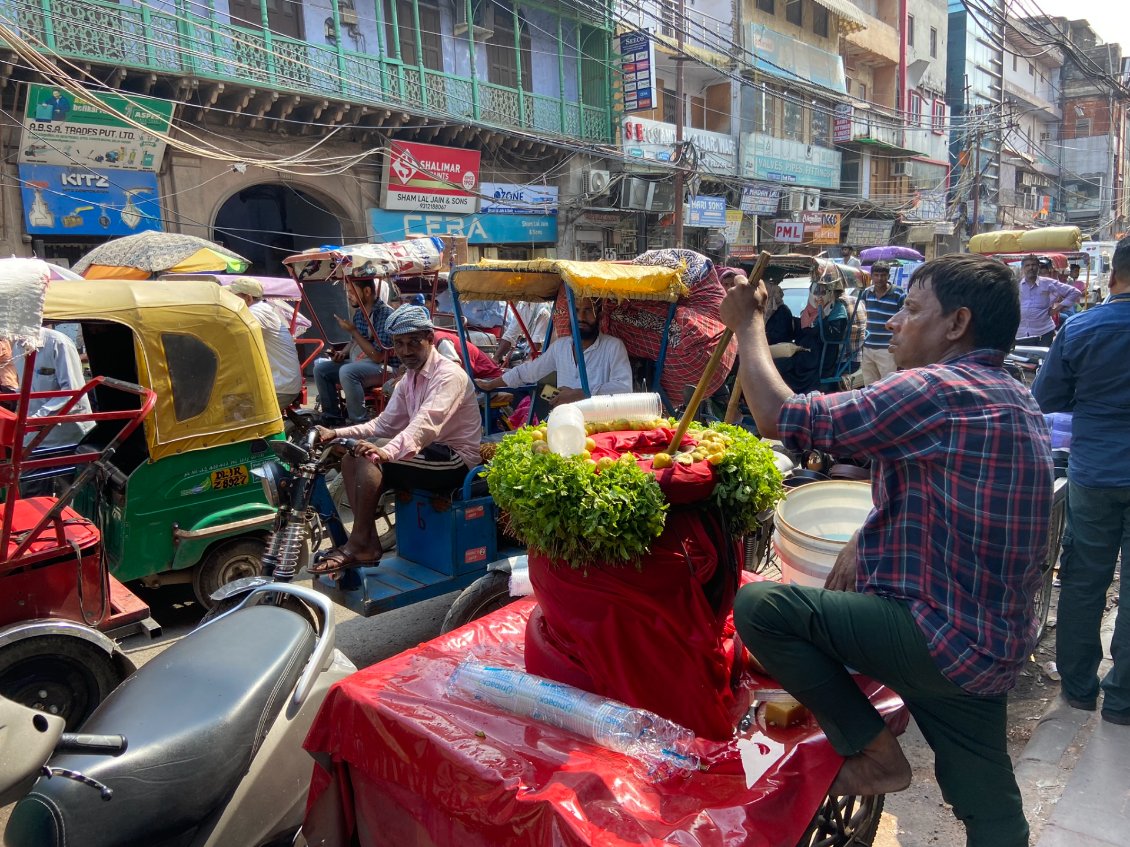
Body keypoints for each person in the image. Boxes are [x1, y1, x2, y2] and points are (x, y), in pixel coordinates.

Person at [720, 254, 1053, 847]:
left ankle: (875, 754)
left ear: (957, 325)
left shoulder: (937, 388)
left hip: (936, 634)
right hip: (991, 643)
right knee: (991, 807)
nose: (895, 322)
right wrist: (863, 536)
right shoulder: (1013, 394)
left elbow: (777, 416)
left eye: (912, 308)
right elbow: (939, 496)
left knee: (763, 609)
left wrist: (747, 323)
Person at [1032, 236, 1130, 726]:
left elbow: (1046, 396)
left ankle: (1079, 689)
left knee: (1084, 579)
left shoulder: (1080, 327)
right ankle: (1123, 701)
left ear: (1112, 276)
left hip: (1095, 471)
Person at [310, 305, 482, 572]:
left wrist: (386, 452)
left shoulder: (449, 376)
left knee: (369, 459)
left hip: (456, 461)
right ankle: (367, 542)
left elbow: (426, 425)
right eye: (399, 344)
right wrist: (336, 433)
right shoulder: (409, 379)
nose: (405, 351)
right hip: (429, 453)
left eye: (413, 342)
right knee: (350, 457)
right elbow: (385, 423)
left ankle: (358, 545)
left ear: (430, 339)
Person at [475, 298, 632, 406]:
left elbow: (624, 388)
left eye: (588, 311)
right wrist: (491, 384)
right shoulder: (560, 347)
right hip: (564, 420)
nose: (581, 317)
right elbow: (528, 372)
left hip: (600, 422)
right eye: (576, 311)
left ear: (599, 315)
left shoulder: (613, 347)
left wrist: (581, 393)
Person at [312, 279, 395, 424]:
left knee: (348, 371)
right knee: (321, 369)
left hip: (387, 367)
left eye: (351, 292)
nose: (349, 295)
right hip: (362, 363)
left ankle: (358, 422)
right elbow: (354, 342)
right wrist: (342, 353)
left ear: (367, 292)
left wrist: (353, 330)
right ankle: (332, 417)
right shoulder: (359, 315)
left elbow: (378, 356)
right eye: (348, 292)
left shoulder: (385, 314)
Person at [13, 326, 93, 449]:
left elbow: (71, 390)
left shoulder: (58, 343)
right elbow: (25, 385)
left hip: (66, 433)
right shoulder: (17, 346)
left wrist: (36, 418)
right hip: (33, 431)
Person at [228, 277, 303, 410]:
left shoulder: (257, 311)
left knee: (234, 414)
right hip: (276, 382)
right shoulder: (258, 309)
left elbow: (229, 332)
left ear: (248, 298)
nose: (228, 301)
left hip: (280, 386)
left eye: (233, 297)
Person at [773, 271, 849, 394]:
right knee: (778, 364)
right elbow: (802, 332)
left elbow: (832, 336)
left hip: (821, 357)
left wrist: (822, 315)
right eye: (816, 290)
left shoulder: (837, 311)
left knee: (784, 366)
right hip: (805, 352)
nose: (818, 296)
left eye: (822, 291)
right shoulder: (808, 310)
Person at [1015, 254, 1080, 345]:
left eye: (1033, 265)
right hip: (1021, 334)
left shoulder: (1047, 283)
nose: (1031, 268)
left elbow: (1075, 292)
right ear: (1023, 269)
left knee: (1042, 358)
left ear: (1038, 267)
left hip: (1044, 332)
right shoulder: (1015, 285)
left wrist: (1056, 310)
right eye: (1027, 265)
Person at [858, 261, 905, 384]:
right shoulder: (866, 293)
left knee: (889, 387)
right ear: (872, 276)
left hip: (887, 349)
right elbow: (862, 317)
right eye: (876, 275)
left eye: (883, 275)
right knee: (869, 387)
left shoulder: (898, 294)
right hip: (867, 348)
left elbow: (906, 320)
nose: (879, 278)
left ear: (888, 277)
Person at [494, 301, 552, 365]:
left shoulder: (543, 311)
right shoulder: (522, 306)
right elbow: (510, 335)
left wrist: (524, 367)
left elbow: (537, 346)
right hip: (530, 354)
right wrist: (495, 358)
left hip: (545, 359)